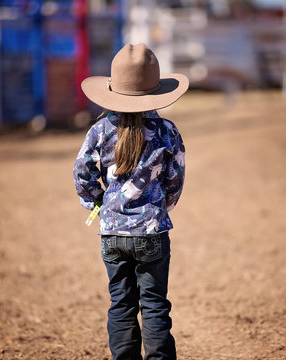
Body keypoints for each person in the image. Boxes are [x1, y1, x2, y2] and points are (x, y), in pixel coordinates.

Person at [73, 43, 188, 360]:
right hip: (152, 231)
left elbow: (81, 171)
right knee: (154, 304)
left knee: (121, 303)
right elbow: (175, 177)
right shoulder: (167, 131)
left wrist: (97, 203)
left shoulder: (100, 130)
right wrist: (163, 205)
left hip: (112, 233)